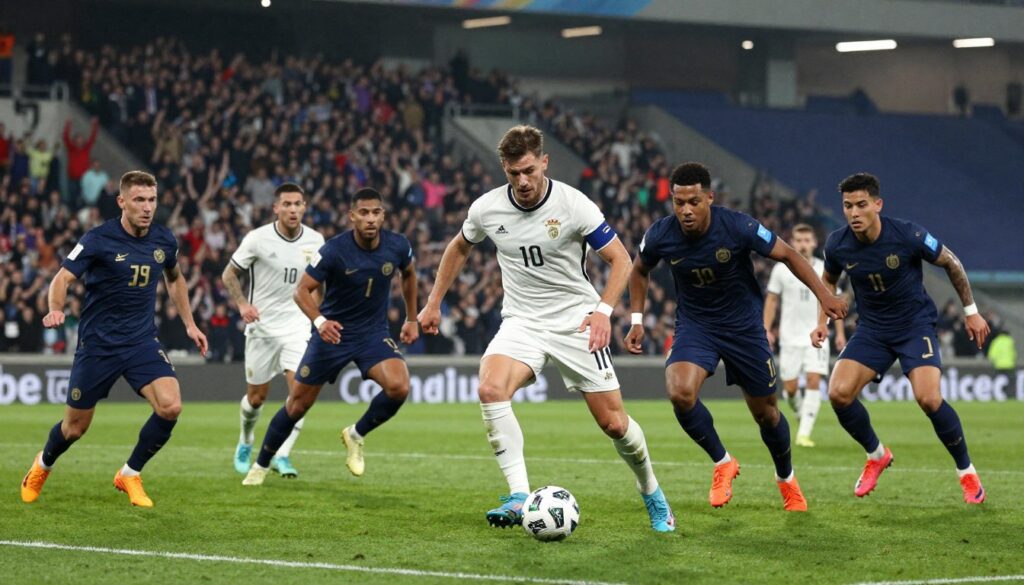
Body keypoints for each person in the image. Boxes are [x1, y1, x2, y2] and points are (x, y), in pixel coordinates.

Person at [419, 125, 675, 533]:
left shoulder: (574, 205)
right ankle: (519, 495)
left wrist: (603, 311)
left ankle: (652, 491)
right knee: (490, 389)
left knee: (614, 424)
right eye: (513, 173)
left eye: (528, 171)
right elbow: (460, 246)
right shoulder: (487, 208)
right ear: (503, 168)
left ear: (544, 162)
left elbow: (621, 260)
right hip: (522, 321)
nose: (522, 181)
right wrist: (433, 302)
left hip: (576, 321)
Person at [626, 162, 847, 512]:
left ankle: (786, 478)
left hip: (744, 328)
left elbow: (789, 254)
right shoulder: (660, 234)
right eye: (679, 202)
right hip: (696, 326)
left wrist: (824, 296)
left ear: (709, 198)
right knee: (680, 392)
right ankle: (723, 462)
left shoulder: (738, 226)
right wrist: (636, 319)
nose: (686, 210)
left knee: (767, 415)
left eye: (694, 202)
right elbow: (639, 269)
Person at [20, 170, 208, 508]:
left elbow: (175, 278)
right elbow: (62, 278)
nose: (147, 207)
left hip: (141, 341)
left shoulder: (164, 240)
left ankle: (129, 473)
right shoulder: (98, 239)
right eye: (139, 200)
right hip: (99, 345)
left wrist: (190, 324)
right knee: (74, 429)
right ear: (122, 202)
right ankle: (42, 465)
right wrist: (56, 309)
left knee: (171, 406)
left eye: (152, 200)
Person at [811, 172, 990, 504]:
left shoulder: (907, 235)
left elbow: (951, 262)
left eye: (861, 205)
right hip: (873, 330)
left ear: (878, 204)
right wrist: (822, 320)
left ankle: (967, 471)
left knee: (929, 399)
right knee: (838, 393)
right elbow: (828, 280)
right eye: (848, 206)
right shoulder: (837, 243)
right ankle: (876, 455)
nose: (854, 213)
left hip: (914, 327)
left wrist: (971, 312)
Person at [242, 188, 419, 486]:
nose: (370, 219)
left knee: (399, 387)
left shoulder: (398, 245)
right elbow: (301, 291)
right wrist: (320, 321)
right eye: (363, 213)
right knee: (297, 406)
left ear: (383, 215)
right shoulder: (334, 250)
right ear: (352, 216)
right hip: (332, 335)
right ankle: (260, 465)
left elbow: (409, 274)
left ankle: (356, 434)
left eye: (376, 212)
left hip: (372, 335)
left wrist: (412, 318)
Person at [222, 183, 324, 478]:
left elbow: (318, 285)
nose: (293, 209)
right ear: (276, 208)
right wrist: (242, 304)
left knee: (300, 396)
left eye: (298, 204)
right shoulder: (257, 239)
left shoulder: (316, 240)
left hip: (297, 329)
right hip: (262, 329)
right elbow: (229, 274)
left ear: (304, 207)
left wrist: (315, 318)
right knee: (256, 399)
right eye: (287, 204)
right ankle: (246, 441)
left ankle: (283, 454)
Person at [763, 223, 846, 447]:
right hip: (789, 337)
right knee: (790, 389)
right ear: (793, 242)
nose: (803, 245)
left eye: (807, 240)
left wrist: (839, 333)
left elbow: (835, 302)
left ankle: (804, 434)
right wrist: (766, 328)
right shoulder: (781, 270)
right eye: (799, 240)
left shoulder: (824, 270)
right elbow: (772, 300)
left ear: (814, 243)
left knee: (813, 379)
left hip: (816, 334)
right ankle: (802, 416)